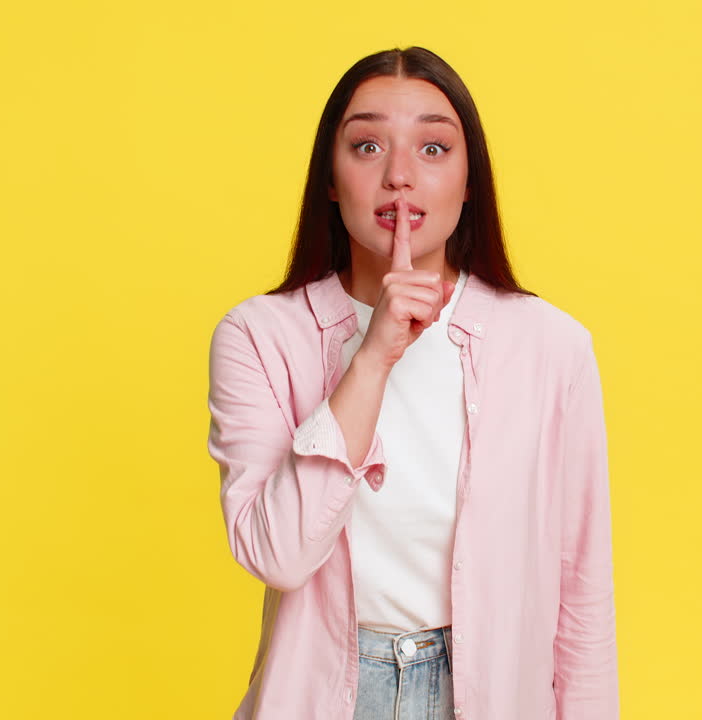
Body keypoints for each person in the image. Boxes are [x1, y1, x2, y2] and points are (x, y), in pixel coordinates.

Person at [207, 46, 618, 720]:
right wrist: (372, 358)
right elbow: (277, 554)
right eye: (367, 146)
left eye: (433, 150)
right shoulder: (259, 336)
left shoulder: (553, 347)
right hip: (324, 698)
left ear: (469, 181)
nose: (400, 177)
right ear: (331, 181)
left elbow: (582, 599)